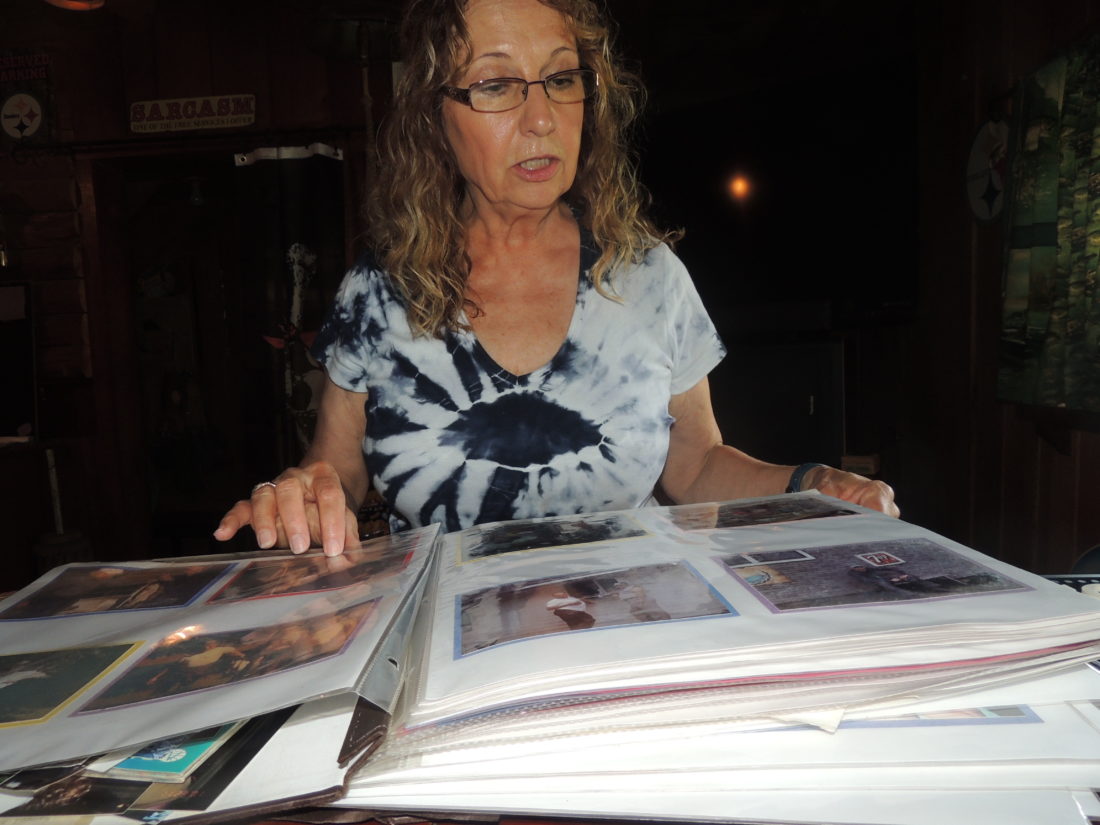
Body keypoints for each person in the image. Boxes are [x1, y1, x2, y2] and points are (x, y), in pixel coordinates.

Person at [214, 0, 898, 558]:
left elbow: (696, 466)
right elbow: (336, 470)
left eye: (562, 78)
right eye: (495, 85)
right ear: (434, 117)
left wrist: (811, 483)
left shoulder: (645, 274)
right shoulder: (379, 291)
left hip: (625, 636)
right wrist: (306, 494)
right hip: (441, 654)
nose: (541, 118)